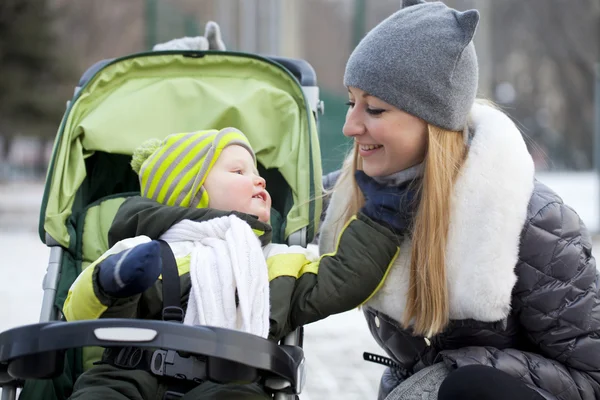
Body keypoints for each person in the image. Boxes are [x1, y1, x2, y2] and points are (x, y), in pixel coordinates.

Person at [318, 0, 600, 399]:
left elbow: (592, 381)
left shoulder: (535, 225)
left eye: (375, 109)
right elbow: (277, 204)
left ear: (432, 120)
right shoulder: (365, 194)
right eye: (351, 102)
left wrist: (457, 378)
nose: (350, 126)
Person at [64, 127, 400, 399]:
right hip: (129, 375)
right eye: (239, 171)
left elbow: (341, 280)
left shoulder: (277, 262)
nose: (260, 180)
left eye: (258, 172)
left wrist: (380, 221)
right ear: (191, 193)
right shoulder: (145, 250)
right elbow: (79, 312)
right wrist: (112, 282)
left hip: (231, 381)